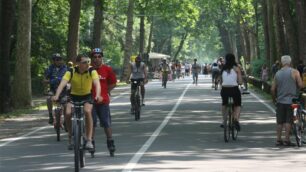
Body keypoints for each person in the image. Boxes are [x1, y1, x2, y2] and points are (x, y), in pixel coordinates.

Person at [52, 54, 102, 150]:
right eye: (84, 62)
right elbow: (62, 84)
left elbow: (97, 84)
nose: (87, 64)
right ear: (78, 63)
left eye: (88, 62)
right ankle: (71, 137)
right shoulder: (71, 71)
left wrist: (98, 95)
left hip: (87, 95)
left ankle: (89, 140)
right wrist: (57, 95)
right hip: (73, 96)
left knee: (87, 112)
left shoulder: (92, 71)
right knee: (67, 113)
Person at [271, 55, 303, 146]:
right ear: (290, 62)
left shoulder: (277, 73)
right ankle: (287, 140)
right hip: (291, 101)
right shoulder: (295, 72)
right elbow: (300, 85)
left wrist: (274, 99)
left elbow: (273, 89)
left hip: (280, 101)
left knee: (280, 121)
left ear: (281, 63)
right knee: (288, 120)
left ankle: (278, 139)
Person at [90, 48, 117, 155]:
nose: (97, 59)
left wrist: (106, 92)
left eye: (99, 57)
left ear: (102, 58)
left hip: (103, 101)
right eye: (94, 57)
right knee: (91, 123)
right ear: (91, 59)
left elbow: (113, 83)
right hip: (90, 101)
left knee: (106, 123)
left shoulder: (107, 69)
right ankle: (91, 142)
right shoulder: (88, 69)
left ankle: (110, 141)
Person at [220, 53, 243, 130]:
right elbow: (240, 82)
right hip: (234, 89)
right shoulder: (237, 68)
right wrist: (239, 82)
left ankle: (224, 120)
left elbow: (221, 80)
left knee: (224, 104)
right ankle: (236, 119)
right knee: (238, 104)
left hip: (224, 89)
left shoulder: (223, 68)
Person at [43, 53, 67, 124]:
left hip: (63, 90)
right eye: (56, 60)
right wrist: (45, 85)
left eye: (60, 59)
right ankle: (50, 115)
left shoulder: (65, 68)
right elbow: (44, 80)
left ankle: (66, 120)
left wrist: (51, 81)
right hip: (53, 89)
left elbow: (64, 79)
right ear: (53, 61)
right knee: (48, 98)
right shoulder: (50, 68)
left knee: (65, 104)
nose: (58, 61)